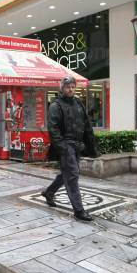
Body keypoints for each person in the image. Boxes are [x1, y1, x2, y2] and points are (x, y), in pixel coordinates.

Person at [41, 76, 99, 222]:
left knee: (67, 173)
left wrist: (88, 143)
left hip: (77, 145)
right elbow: (53, 129)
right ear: (62, 88)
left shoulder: (78, 103)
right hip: (66, 145)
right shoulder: (56, 105)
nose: (71, 89)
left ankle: (49, 192)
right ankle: (79, 210)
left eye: (73, 86)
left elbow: (86, 124)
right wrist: (63, 148)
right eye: (68, 86)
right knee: (72, 175)